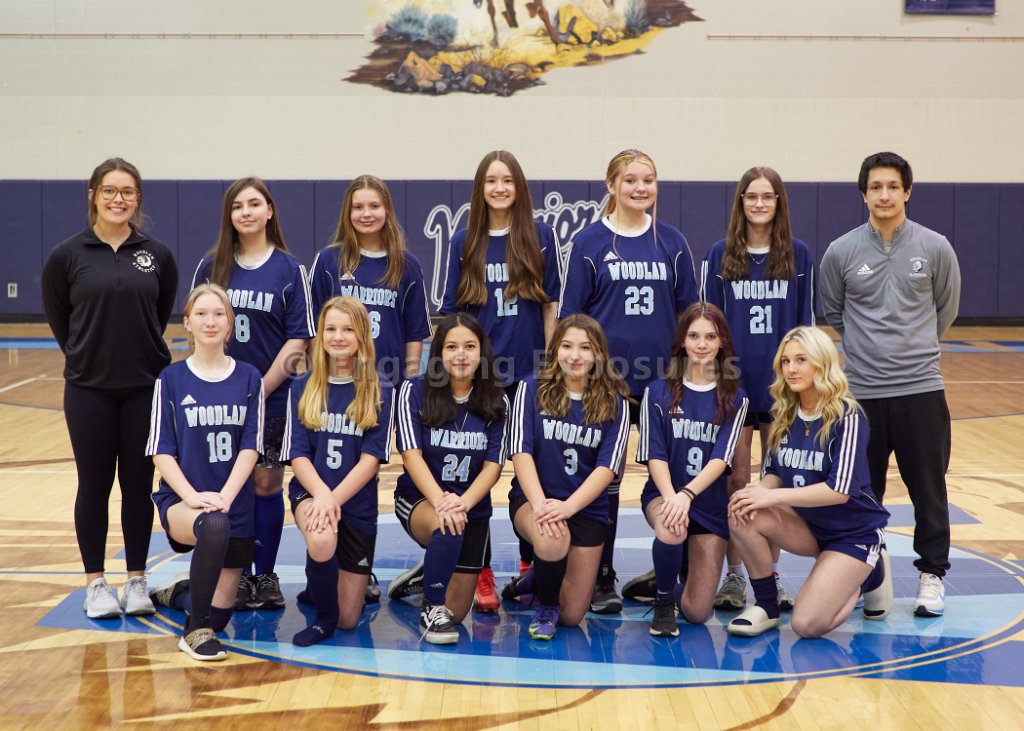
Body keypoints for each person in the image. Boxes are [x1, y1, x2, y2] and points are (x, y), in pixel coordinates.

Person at [820, 152, 961, 617]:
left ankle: (932, 575)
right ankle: (870, 575)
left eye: (893, 187)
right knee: (862, 492)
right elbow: (834, 311)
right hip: (862, 394)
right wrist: (869, 351)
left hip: (921, 389)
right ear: (864, 194)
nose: (884, 195)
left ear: (907, 192)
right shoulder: (841, 251)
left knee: (928, 489)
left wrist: (912, 347)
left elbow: (946, 309)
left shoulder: (935, 246)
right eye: (876, 187)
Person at [559, 148, 699, 613]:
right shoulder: (589, 242)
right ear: (611, 185)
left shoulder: (672, 241)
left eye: (648, 180)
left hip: (663, 383)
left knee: (675, 476)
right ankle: (601, 573)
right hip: (607, 384)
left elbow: (690, 315)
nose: (641, 188)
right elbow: (572, 318)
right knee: (606, 477)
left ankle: (675, 570)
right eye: (631, 180)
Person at [41, 157, 179, 619]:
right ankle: (95, 583)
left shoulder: (156, 255)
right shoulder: (67, 255)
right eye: (110, 191)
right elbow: (62, 322)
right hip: (89, 390)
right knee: (93, 486)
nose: (119, 199)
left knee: (138, 485)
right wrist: (88, 355)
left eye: (128, 192)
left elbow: (159, 313)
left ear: (138, 199)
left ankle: (137, 580)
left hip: (144, 388)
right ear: (93, 196)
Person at [439, 150, 562, 612]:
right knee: (476, 473)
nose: (499, 188)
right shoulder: (463, 241)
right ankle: (482, 570)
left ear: (519, 186)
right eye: (491, 181)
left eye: (507, 180)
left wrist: (549, 366)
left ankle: (531, 563)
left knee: (535, 470)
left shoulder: (540, 236)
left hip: (529, 373)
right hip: (480, 377)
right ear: (480, 188)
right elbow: (453, 316)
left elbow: (550, 306)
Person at [192, 177, 315, 611]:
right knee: (230, 486)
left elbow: (298, 339)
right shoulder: (211, 267)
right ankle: (237, 574)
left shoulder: (290, 269)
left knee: (266, 484)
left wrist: (258, 389)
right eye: (237, 206)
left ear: (269, 211)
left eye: (254, 204)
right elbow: (198, 326)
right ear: (229, 215)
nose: (245, 212)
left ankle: (265, 575)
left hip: (271, 397)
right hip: (218, 400)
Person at [726, 326, 892, 638]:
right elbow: (774, 473)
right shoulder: (784, 412)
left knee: (806, 624)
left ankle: (868, 575)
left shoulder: (848, 415)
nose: (791, 369)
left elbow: (839, 491)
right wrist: (758, 492)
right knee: (741, 510)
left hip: (851, 534)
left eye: (801, 359)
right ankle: (767, 605)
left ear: (822, 362)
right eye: (786, 361)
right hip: (808, 528)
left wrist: (773, 498)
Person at [699, 167, 815, 613]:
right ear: (741, 202)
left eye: (768, 196)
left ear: (779, 202)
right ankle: (734, 574)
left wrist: (801, 379)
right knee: (736, 478)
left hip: (783, 385)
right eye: (752, 196)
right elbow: (707, 324)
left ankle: (771, 574)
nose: (760, 204)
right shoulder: (719, 254)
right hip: (734, 383)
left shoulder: (799, 255)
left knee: (775, 478)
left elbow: (805, 325)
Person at [146, 284, 265, 660]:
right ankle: (193, 632)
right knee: (213, 525)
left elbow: (251, 447)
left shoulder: (250, 377)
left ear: (230, 324)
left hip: (234, 504)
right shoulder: (171, 379)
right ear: (187, 323)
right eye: (201, 314)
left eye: (218, 314)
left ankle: (180, 593)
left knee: (221, 617)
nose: (210, 321)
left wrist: (226, 497)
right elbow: (160, 451)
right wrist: (191, 497)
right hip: (184, 503)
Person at [503, 315, 630, 640]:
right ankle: (546, 606)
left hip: (586, 509)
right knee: (551, 537)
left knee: (573, 616)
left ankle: (539, 576)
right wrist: (541, 505)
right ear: (555, 350)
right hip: (534, 501)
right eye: (567, 346)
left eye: (585, 348)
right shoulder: (530, 388)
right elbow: (520, 453)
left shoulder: (615, 402)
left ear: (599, 353)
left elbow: (606, 469)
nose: (575, 356)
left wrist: (568, 507)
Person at [281, 296, 395, 646]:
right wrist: (322, 497)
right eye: (330, 329)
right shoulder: (303, 386)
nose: (338, 337)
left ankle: (319, 588)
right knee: (321, 537)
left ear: (362, 335)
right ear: (320, 335)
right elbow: (298, 455)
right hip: (311, 492)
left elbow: (370, 461)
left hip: (357, 502)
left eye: (347, 329)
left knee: (350, 620)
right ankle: (323, 618)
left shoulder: (380, 390)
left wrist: (333, 499)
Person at [390, 313, 508, 644]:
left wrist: (463, 503)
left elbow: (493, 467)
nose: (461, 355)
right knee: (446, 526)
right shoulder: (414, 390)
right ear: (439, 352)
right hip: (421, 500)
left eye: (469, 346)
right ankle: (430, 607)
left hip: (471, 508)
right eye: (452, 347)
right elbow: (411, 455)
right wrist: (442, 502)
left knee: (456, 613)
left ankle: (429, 570)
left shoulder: (497, 400)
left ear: (481, 352)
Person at [636, 303, 748, 637]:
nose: (702, 344)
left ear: (721, 341)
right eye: (694, 336)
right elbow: (654, 454)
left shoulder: (736, 397)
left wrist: (688, 495)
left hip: (708, 505)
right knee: (672, 526)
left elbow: (720, 459)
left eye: (710, 337)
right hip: (664, 494)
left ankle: (662, 578)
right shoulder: (657, 391)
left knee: (698, 612)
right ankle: (662, 602)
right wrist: (673, 497)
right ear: (682, 341)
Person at [309, 175, 432, 387]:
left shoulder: (408, 265)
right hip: (338, 383)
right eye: (358, 207)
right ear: (348, 213)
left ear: (387, 210)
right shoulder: (328, 260)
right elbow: (313, 327)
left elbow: (414, 335)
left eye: (374, 206)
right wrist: (319, 378)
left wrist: (408, 387)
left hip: (390, 382)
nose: (366, 214)